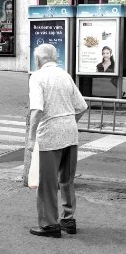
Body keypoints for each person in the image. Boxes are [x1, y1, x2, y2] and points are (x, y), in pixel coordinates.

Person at [28, 44, 87, 238]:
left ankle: (50, 225)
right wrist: (67, 121)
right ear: (55, 58)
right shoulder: (65, 75)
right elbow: (82, 106)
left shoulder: (37, 77)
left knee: (47, 183)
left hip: (50, 135)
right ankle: (68, 220)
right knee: (67, 180)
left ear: (38, 60)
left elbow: (37, 110)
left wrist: (31, 138)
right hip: (70, 132)